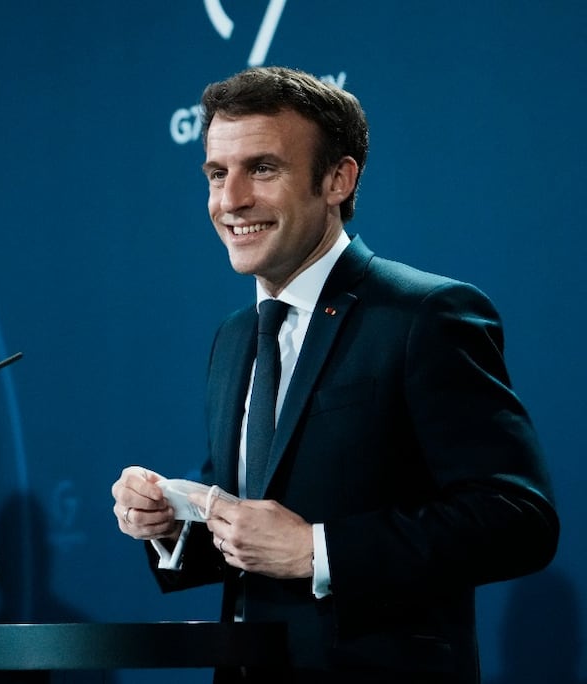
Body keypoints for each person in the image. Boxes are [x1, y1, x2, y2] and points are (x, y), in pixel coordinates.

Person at [110, 66, 558, 683]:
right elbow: (247, 526)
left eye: (262, 169)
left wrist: (316, 550)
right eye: (217, 173)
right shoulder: (235, 336)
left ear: (337, 179)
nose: (230, 199)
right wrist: (172, 523)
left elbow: (518, 520)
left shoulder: (425, 315)